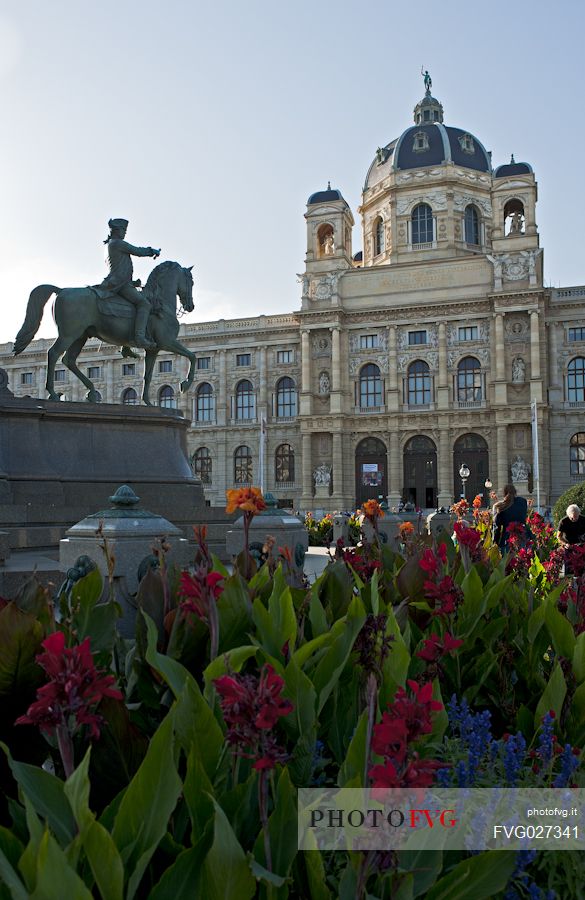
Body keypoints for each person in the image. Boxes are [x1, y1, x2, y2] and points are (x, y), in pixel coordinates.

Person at [100, 218, 161, 349]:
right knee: (144, 304)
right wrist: (152, 251)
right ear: (117, 230)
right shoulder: (117, 243)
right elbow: (137, 251)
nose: (125, 233)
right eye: (124, 230)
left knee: (129, 309)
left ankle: (125, 347)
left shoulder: (110, 244)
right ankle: (139, 337)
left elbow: (119, 268)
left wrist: (133, 282)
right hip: (119, 285)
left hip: (121, 282)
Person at [492, 483, 528, 551]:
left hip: (507, 540)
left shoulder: (499, 507)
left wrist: (495, 543)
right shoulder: (523, 502)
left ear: (504, 494)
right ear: (515, 492)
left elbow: (497, 528)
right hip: (522, 538)